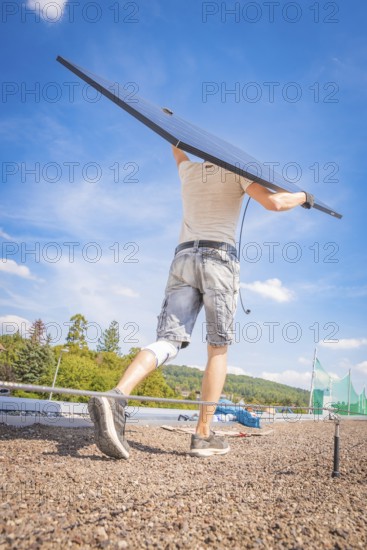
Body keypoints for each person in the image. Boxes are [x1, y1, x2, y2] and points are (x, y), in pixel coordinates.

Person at [88, 145, 314, 459]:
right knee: (217, 347)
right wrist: (304, 196)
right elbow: (275, 202)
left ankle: (116, 395)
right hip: (219, 259)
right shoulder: (235, 172)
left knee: (167, 340)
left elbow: (177, 152)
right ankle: (203, 434)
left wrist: (173, 139)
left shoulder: (189, 171)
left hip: (183, 257)